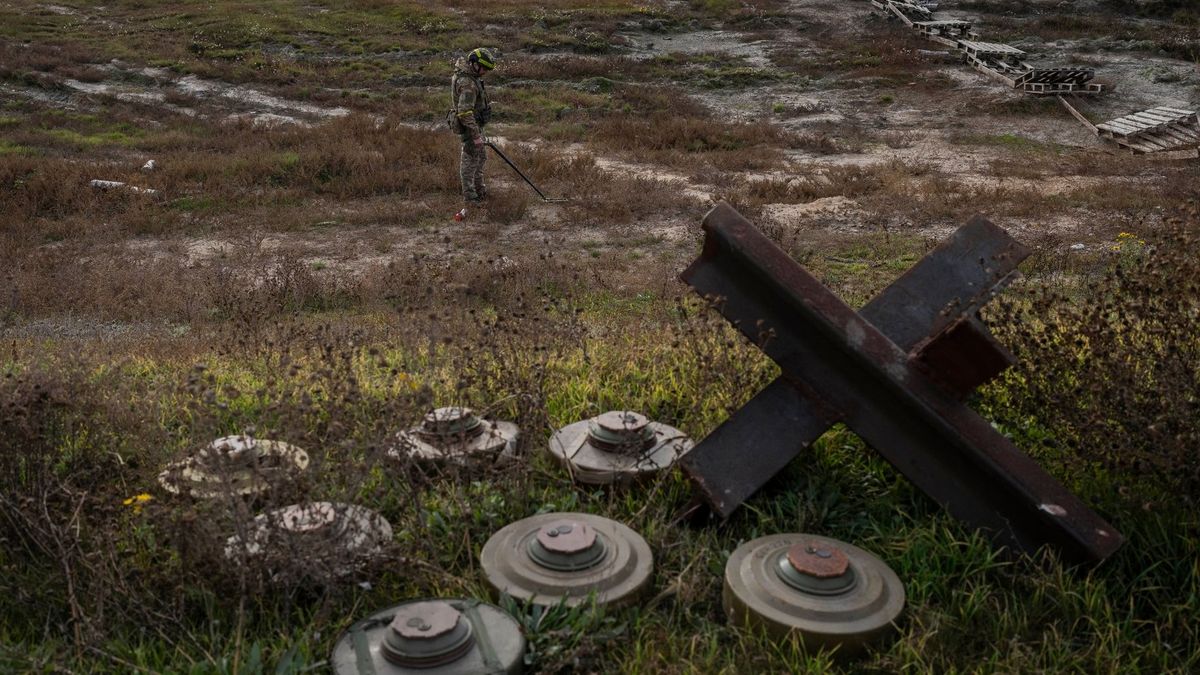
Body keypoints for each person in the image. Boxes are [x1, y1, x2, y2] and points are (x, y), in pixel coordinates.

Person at [451, 48, 495, 203]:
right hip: (470, 128)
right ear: (474, 64)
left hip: (476, 125)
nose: (485, 72)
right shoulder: (467, 83)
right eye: (483, 68)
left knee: (481, 157)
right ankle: (470, 196)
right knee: (469, 161)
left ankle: (479, 189)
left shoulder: (473, 76)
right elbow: (464, 112)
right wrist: (475, 136)